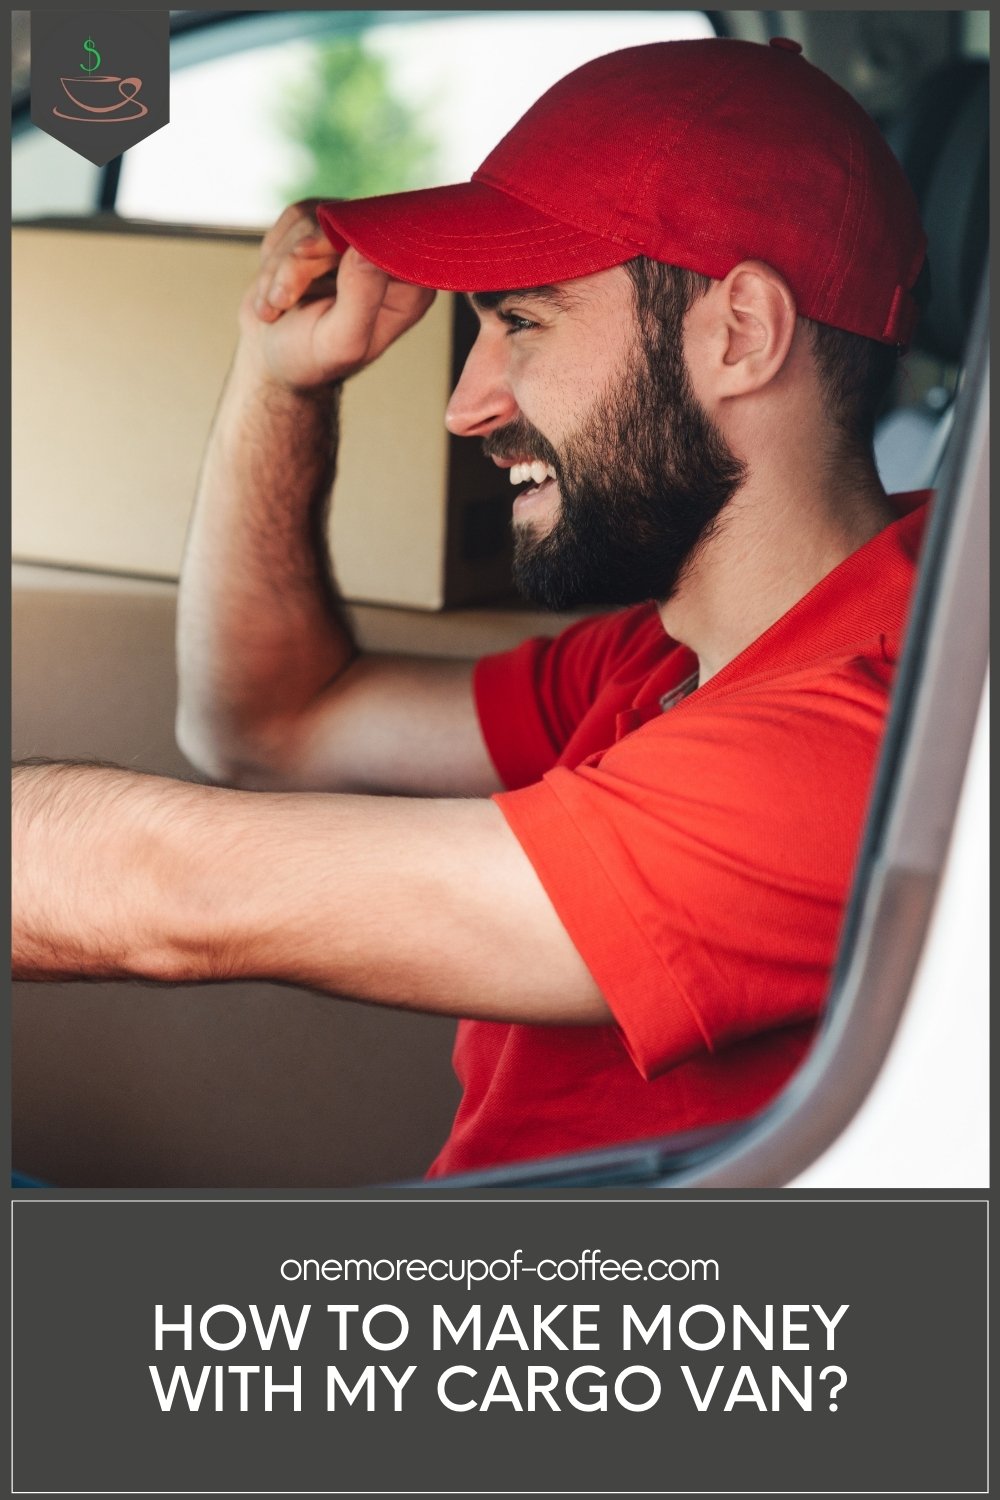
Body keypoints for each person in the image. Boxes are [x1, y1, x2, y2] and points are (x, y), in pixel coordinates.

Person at [12, 38, 930, 1179]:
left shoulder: (867, 742)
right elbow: (269, 726)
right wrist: (281, 379)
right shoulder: (671, 652)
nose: (465, 404)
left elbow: (176, 889)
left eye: (523, 323)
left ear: (739, 333)